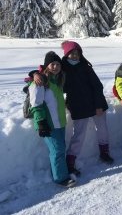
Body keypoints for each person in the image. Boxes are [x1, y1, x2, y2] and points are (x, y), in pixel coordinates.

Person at [60, 41, 113, 176]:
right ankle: (70, 162)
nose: (75, 56)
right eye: (71, 53)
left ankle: (104, 153)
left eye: (77, 53)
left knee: (102, 129)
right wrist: (35, 74)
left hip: (95, 102)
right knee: (79, 134)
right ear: (66, 55)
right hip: (78, 105)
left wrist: (99, 105)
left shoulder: (85, 66)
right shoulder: (62, 69)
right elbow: (49, 72)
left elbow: (97, 86)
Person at [29, 51, 76, 187]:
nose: (55, 67)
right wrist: (41, 122)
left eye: (57, 64)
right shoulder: (40, 82)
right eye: (52, 64)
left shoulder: (57, 81)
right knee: (57, 150)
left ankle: (60, 172)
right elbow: (36, 105)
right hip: (49, 124)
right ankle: (61, 178)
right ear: (46, 66)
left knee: (59, 149)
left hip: (59, 123)